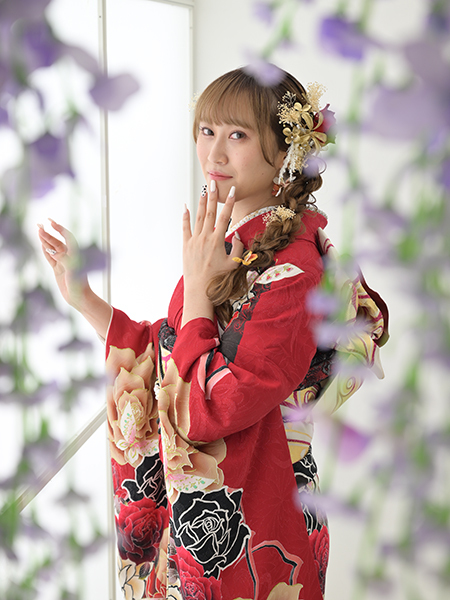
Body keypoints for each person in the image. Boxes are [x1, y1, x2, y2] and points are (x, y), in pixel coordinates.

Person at [38, 67, 388, 600]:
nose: (214, 153)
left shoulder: (293, 271)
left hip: (257, 520)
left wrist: (199, 290)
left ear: (286, 151)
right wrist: (84, 299)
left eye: (237, 135)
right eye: (207, 131)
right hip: (212, 515)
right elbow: (173, 350)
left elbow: (208, 408)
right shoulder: (231, 244)